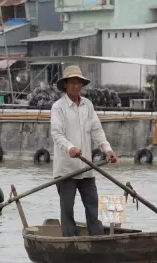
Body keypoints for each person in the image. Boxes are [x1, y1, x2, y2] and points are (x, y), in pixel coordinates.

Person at [50, 65, 118, 237]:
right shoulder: (58, 107)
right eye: (72, 82)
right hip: (67, 169)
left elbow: (97, 131)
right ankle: (70, 241)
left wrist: (108, 150)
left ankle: (98, 238)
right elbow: (56, 133)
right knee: (67, 209)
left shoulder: (87, 105)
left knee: (92, 204)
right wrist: (69, 147)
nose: (76, 85)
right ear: (65, 85)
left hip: (86, 167)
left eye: (79, 82)